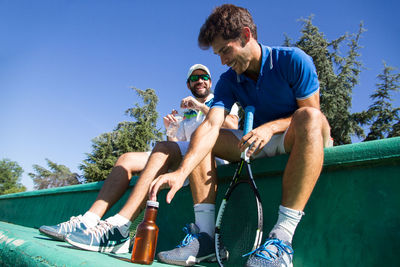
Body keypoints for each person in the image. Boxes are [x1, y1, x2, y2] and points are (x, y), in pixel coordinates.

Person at [149, 4, 332, 267]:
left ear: (246, 36)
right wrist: (181, 172)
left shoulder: (293, 60)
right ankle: (206, 239)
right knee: (205, 136)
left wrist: (270, 127)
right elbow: (211, 126)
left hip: (295, 137)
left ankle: (282, 240)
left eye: (225, 50)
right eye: (218, 54)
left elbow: (312, 114)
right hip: (255, 143)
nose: (222, 60)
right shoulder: (228, 80)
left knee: (310, 118)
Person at [39, 64, 239, 254]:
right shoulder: (186, 111)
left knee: (161, 148)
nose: (200, 81)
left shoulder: (219, 100)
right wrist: (171, 130)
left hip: (210, 160)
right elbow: (178, 144)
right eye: (194, 78)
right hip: (184, 156)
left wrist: (202, 107)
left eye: (204, 77)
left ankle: (120, 228)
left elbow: (232, 126)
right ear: (188, 84)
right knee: (126, 159)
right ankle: (88, 221)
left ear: (210, 82)